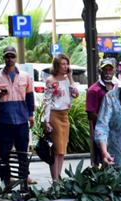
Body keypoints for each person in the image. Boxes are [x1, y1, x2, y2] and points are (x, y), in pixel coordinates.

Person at [0, 47, 35, 189]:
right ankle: (6, 180)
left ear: (16, 58)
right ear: (4, 58)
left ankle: (24, 180)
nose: (10, 59)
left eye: (12, 56)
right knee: (4, 153)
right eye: (7, 56)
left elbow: (30, 97)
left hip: (21, 119)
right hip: (4, 120)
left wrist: (31, 115)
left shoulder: (25, 76)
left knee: (22, 152)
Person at [43, 53, 80, 182]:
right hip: (54, 115)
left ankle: (58, 177)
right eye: (62, 64)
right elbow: (47, 101)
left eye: (66, 64)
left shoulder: (67, 79)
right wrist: (46, 121)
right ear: (57, 66)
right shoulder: (51, 81)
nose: (65, 66)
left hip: (65, 115)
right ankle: (55, 179)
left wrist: (70, 78)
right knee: (56, 148)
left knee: (62, 149)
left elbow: (75, 94)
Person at [87, 59, 117, 167]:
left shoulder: (117, 88)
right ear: (100, 71)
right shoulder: (93, 90)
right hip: (102, 133)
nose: (108, 72)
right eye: (105, 69)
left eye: (110, 69)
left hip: (116, 132)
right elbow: (90, 114)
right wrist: (106, 121)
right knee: (103, 160)